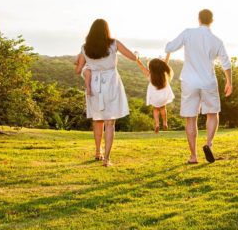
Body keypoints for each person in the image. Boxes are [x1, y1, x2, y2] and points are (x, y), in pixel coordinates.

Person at [165, 9, 232, 164]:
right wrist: (229, 82)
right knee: (212, 113)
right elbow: (226, 63)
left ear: (198, 19)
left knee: (190, 118)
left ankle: (193, 156)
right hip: (208, 80)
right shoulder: (217, 41)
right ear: (212, 20)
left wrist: (168, 45)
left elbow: (169, 47)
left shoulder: (188, 33)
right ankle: (208, 144)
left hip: (189, 81)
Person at [75, 19, 138, 167]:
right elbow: (133, 58)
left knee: (97, 119)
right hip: (111, 84)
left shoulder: (85, 47)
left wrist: (85, 69)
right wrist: (136, 53)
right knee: (110, 122)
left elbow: (78, 70)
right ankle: (106, 159)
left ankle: (98, 152)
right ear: (106, 30)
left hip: (94, 84)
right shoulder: (114, 43)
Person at [136, 54, 175, 133]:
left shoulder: (149, 74)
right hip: (163, 95)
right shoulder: (163, 73)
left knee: (156, 109)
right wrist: (168, 53)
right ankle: (165, 122)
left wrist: (137, 59)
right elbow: (166, 62)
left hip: (154, 96)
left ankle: (157, 124)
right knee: (163, 108)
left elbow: (141, 66)